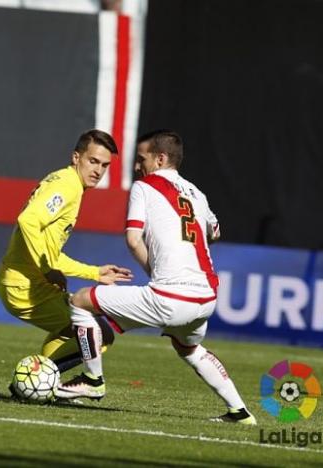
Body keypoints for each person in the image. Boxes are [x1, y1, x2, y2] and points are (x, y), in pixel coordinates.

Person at [55, 130, 256, 424]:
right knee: (189, 348)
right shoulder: (197, 193)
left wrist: (158, 271)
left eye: (141, 159)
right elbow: (214, 232)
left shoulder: (144, 187)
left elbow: (134, 238)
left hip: (171, 295)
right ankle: (240, 411)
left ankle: (92, 380)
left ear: (160, 159)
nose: (137, 166)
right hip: (206, 296)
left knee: (81, 300)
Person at [0, 129, 132, 381]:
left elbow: (50, 250)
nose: (99, 171)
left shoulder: (68, 183)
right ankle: (34, 379)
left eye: (105, 165)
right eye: (93, 161)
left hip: (28, 282)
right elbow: (27, 221)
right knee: (98, 333)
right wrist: (46, 270)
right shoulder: (67, 185)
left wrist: (94, 272)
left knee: (77, 329)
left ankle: (39, 380)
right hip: (24, 286)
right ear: (76, 157)